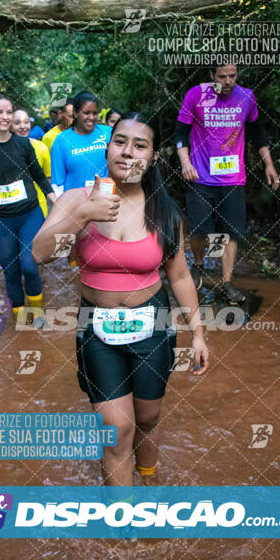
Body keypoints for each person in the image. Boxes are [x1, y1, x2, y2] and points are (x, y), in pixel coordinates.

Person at [33, 112, 209, 486]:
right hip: (96, 330)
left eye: (140, 145)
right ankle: (124, 528)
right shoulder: (76, 199)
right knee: (117, 433)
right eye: (120, 141)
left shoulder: (164, 209)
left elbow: (178, 275)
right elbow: (40, 253)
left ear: (154, 157)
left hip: (153, 327)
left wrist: (198, 334)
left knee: (147, 418)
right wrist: (83, 216)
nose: (128, 152)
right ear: (107, 146)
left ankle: (149, 480)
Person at [175, 64, 279, 303]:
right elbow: (180, 132)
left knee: (230, 232)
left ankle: (226, 282)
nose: (228, 81)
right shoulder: (196, 95)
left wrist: (269, 164)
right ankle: (199, 264)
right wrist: (184, 162)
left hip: (233, 177)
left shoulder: (246, 97)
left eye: (232, 76)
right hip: (199, 175)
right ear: (212, 75)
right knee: (200, 230)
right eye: (222, 76)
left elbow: (257, 133)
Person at [0, 93, 57, 319]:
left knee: (29, 265)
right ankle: (20, 323)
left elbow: (38, 176)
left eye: (8, 112)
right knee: (11, 272)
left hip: (30, 215)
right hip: (1, 220)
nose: (5, 117)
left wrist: (57, 201)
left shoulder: (23, 145)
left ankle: (38, 316)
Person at [50, 92, 112, 196]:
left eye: (95, 113)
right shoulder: (61, 141)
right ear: (75, 113)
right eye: (86, 113)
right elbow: (58, 182)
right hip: (75, 203)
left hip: (105, 198)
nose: (91, 117)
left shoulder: (108, 133)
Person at [11, 108, 51, 218]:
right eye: (17, 123)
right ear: (10, 125)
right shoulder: (1, 148)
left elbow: (47, 178)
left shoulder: (41, 147)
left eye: (26, 122)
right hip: (10, 209)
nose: (23, 126)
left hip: (38, 206)